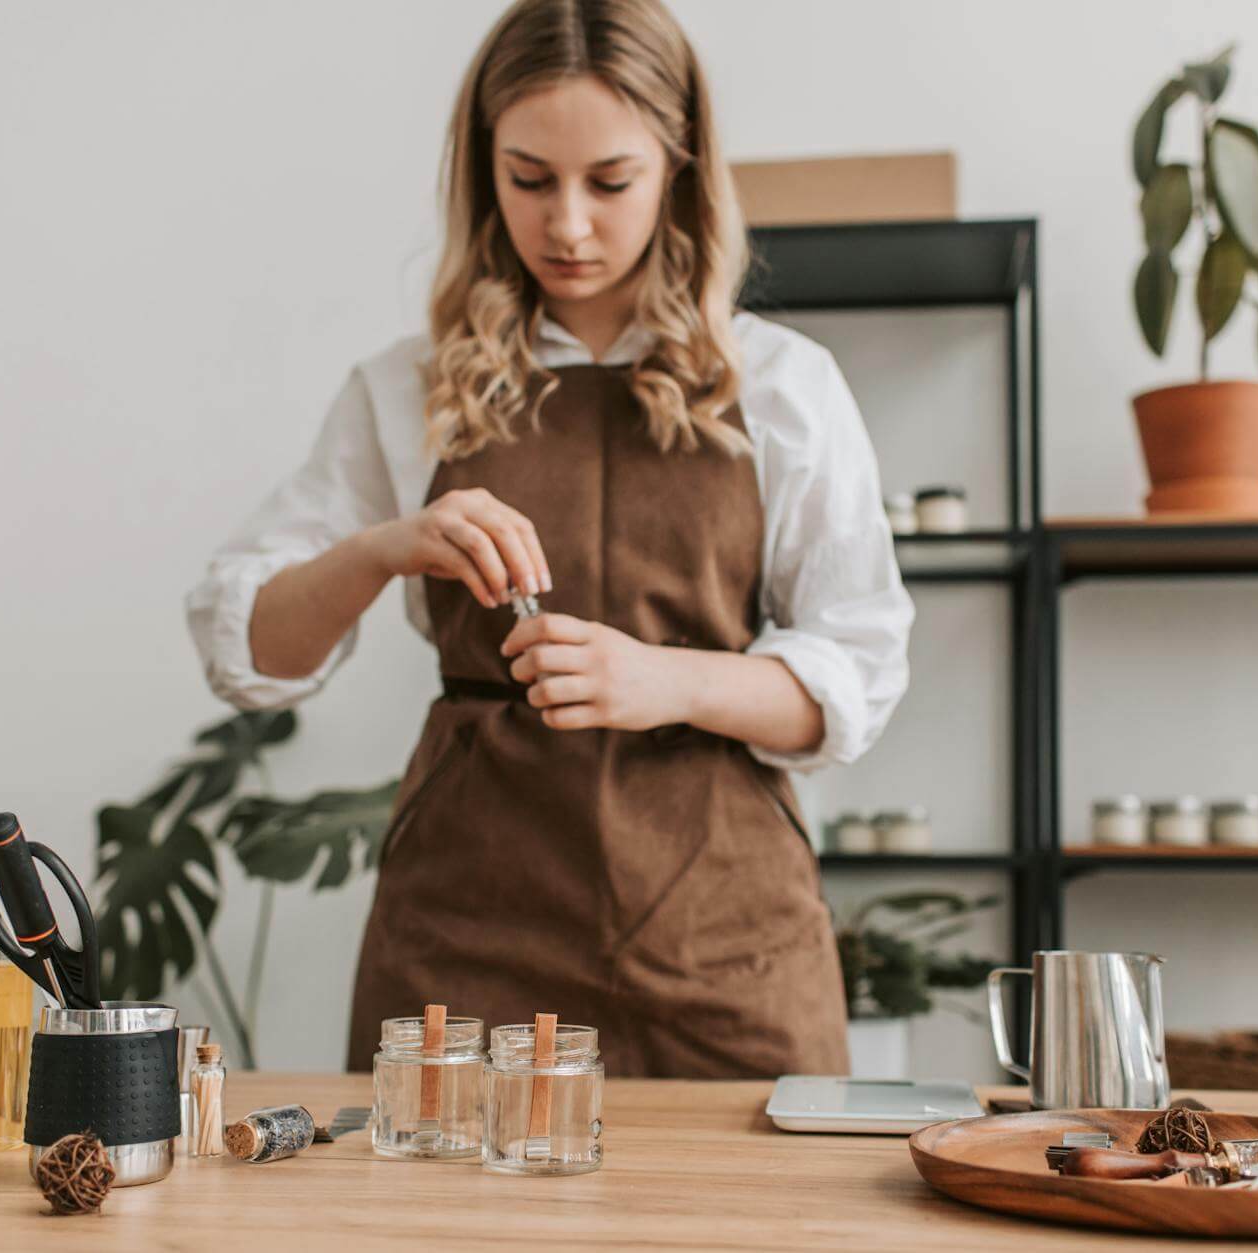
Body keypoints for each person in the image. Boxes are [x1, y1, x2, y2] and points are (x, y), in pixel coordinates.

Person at [187, 0, 912, 1078]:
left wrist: (661, 679)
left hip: (723, 945)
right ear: (483, 171)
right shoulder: (403, 389)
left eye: (608, 182)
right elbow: (249, 649)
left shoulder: (782, 384)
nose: (566, 224)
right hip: (467, 938)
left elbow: (857, 669)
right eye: (529, 179)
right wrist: (387, 545)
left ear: (677, 166)